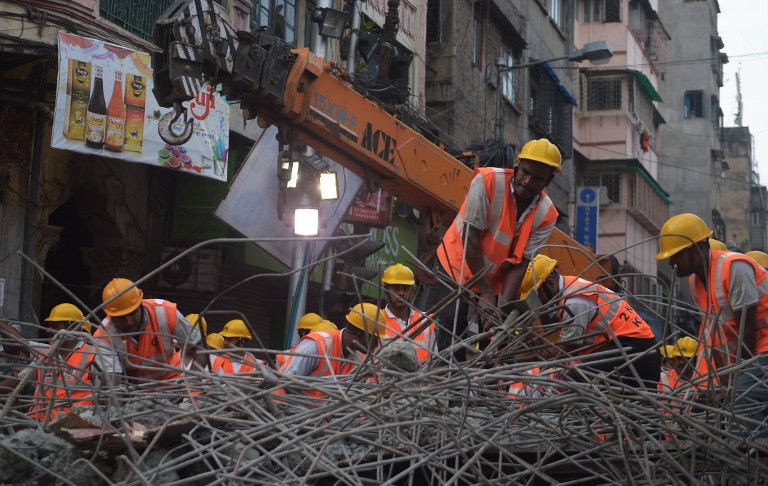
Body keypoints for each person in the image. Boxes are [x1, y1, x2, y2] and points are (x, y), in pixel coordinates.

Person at [434, 139, 561, 360]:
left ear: (549, 179)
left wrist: (500, 307)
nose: (527, 181)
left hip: (493, 284)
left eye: (537, 178)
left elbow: (521, 263)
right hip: (456, 267)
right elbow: (470, 238)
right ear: (517, 165)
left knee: (488, 348)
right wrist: (484, 293)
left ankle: (482, 391)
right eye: (525, 172)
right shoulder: (487, 181)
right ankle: (449, 389)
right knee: (451, 339)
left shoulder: (547, 214)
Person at [655, 213, 768, 435]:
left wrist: (736, 384)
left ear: (699, 247)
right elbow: (716, 336)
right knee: (721, 402)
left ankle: (753, 461)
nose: (672, 262)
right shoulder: (695, 281)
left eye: (677, 255)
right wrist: (725, 386)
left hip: (762, 347)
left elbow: (748, 328)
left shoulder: (735, 267)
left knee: (745, 399)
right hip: (755, 351)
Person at [518, 254, 660, 390]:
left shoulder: (574, 300)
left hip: (635, 349)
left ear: (550, 283)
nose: (537, 302)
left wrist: (529, 359)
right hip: (638, 348)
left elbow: (568, 345)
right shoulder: (569, 286)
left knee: (571, 384)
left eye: (536, 295)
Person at [1, 305, 120, 423]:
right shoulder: (45, 355)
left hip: (72, 429)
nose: (48, 330)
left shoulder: (94, 356)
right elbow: (18, 380)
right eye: (50, 326)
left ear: (73, 329)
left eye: (54, 327)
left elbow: (106, 397)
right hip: (37, 426)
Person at [95, 278, 206, 383]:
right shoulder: (104, 336)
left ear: (140, 304)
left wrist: (193, 380)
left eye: (132, 313)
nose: (128, 322)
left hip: (172, 388)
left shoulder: (165, 313)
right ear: (110, 315)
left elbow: (200, 346)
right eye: (121, 317)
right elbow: (113, 382)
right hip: (134, 394)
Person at [278, 303, 386, 394]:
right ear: (360, 335)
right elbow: (287, 383)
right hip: (285, 411)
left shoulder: (361, 358)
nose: (376, 345)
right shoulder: (316, 345)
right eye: (375, 339)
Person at [380, 263, 435, 364]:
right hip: (385, 379)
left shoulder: (426, 321)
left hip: (421, 379)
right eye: (396, 288)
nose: (401, 293)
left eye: (406, 288)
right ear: (385, 292)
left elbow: (434, 361)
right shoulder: (376, 321)